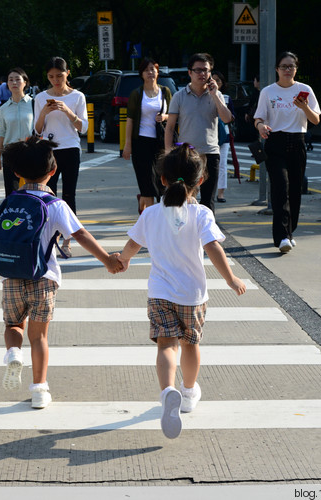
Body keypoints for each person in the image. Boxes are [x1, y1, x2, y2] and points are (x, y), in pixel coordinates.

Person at [0, 136, 122, 409]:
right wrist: (106, 259)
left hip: (12, 278)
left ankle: (12, 352)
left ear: (18, 173)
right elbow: (79, 234)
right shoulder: (55, 205)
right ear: (53, 171)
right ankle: (39, 390)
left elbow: (2, 238)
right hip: (44, 280)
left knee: (13, 326)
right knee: (39, 337)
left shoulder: (12, 201)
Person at [116, 144, 246, 438]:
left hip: (160, 292)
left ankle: (167, 393)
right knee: (190, 344)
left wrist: (121, 261)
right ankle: (187, 393)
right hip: (192, 295)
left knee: (166, 346)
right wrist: (231, 278)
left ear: (161, 179)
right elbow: (213, 248)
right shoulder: (201, 214)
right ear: (200, 181)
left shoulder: (150, 214)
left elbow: (132, 246)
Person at [254, 51, 321, 253]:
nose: (287, 70)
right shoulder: (268, 92)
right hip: (275, 142)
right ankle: (282, 236)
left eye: (291, 66)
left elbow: (315, 119)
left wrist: (305, 107)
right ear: (277, 69)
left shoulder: (304, 90)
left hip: (297, 141)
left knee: (295, 191)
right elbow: (258, 118)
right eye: (283, 66)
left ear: (296, 69)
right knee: (280, 188)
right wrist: (261, 127)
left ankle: (290, 231)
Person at [164, 53, 232, 214]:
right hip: (187, 155)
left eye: (206, 70)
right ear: (190, 73)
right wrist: (168, 153)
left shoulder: (217, 95)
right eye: (198, 70)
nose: (202, 74)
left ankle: (206, 235)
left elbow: (227, 118)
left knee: (208, 201)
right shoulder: (179, 96)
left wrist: (215, 95)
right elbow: (170, 127)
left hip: (210, 153)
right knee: (184, 198)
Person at [34, 56, 88, 257]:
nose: (56, 80)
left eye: (59, 75)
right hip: (49, 149)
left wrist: (67, 111)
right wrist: (43, 113)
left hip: (71, 148)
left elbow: (83, 127)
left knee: (69, 194)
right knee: (49, 194)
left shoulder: (77, 97)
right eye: (51, 76)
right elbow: (37, 129)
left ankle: (68, 239)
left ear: (68, 73)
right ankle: (51, 236)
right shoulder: (40, 98)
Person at [122, 58, 173, 214]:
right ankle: (149, 219)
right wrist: (128, 144)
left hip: (160, 141)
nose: (150, 72)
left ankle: (160, 214)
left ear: (157, 72)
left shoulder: (165, 91)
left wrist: (164, 117)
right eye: (146, 70)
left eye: (153, 69)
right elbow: (129, 120)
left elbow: (173, 115)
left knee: (163, 180)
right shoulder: (137, 94)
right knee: (146, 183)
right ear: (142, 74)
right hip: (141, 142)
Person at [0, 68, 35, 196]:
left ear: (25, 82)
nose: (14, 82)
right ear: (7, 84)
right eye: (10, 80)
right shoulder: (4, 108)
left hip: (29, 151)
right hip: (10, 152)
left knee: (32, 190)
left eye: (18, 79)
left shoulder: (34, 104)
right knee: (11, 192)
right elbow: (2, 134)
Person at [212, 70, 232, 203]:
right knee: (204, 165)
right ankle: (202, 191)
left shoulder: (226, 98)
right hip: (209, 135)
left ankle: (221, 193)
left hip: (224, 135)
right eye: (212, 80)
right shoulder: (203, 96)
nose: (215, 83)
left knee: (222, 164)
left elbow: (232, 117)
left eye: (218, 80)